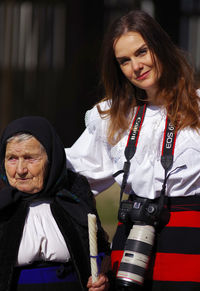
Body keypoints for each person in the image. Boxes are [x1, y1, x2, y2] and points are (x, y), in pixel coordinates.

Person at [66, 9, 200, 291]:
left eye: (142, 52)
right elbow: (72, 175)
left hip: (190, 239)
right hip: (132, 242)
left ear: (160, 47)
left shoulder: (198, 107)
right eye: (124, 61)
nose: (136, 66)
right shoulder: (113, 116)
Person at [0, 116, 112, 291]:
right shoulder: (3, 205)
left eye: (30, 158)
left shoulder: (74, 195)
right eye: (12, 158)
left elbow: (101, 253)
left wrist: (102, 278)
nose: (20, 170)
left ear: (51, 158)